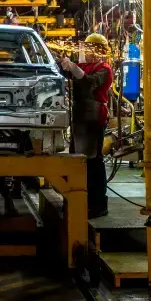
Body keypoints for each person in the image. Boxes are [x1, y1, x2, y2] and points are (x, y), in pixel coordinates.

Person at [60, 33, 112, 218]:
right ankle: (80, 200)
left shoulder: (104, 69)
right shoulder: (85, 65)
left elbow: (89, 82)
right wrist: (62, 63)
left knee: (93, 162)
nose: (87, 52)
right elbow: (69, 73)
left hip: (93, 118)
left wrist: (73, 68)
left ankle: (98, 204)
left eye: (91, 49)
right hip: (80, 118)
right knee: (77, 160)